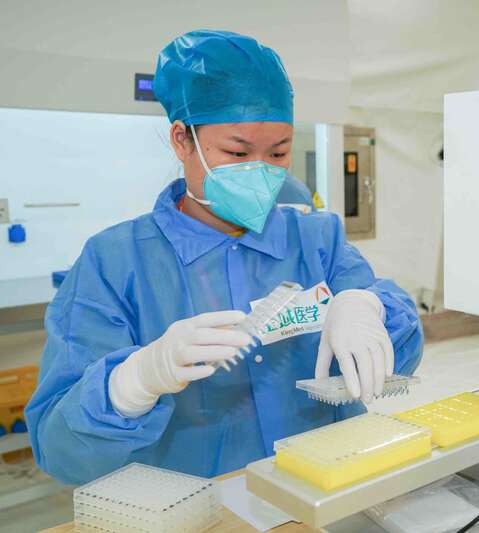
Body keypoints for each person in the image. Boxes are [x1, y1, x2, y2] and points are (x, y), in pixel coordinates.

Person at [25, 30, 423, 485]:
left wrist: (368, 309)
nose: (262, 170)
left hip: (327, 490)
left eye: (279, 152)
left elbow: (399, 352)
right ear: (182, 140)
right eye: (237, 152)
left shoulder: (316, 238)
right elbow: (60, 451)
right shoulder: (115, 262)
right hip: (199, 508)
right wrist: (132, 383)